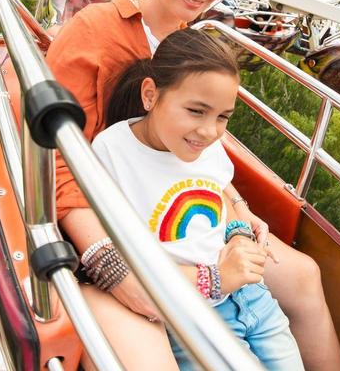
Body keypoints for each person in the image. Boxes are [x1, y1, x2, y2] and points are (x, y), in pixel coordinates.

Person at [46, 0, 340, 370]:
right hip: (117, 223)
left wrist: (239, 209)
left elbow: (203, 153)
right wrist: (109, 260)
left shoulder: (193, 44)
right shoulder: (95, 31)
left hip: (185, 217)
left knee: (303, 275)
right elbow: (58, 157)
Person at [91, 28, 303, 369]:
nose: (209, 131)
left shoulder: (206, 147)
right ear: (150, 95)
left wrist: (239, 233)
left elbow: (216, 192)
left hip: (252, 296)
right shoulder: (112, 152)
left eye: (222, 117)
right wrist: (216, 276)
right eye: (196, 111)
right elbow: (119, 249)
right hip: (194, 316)